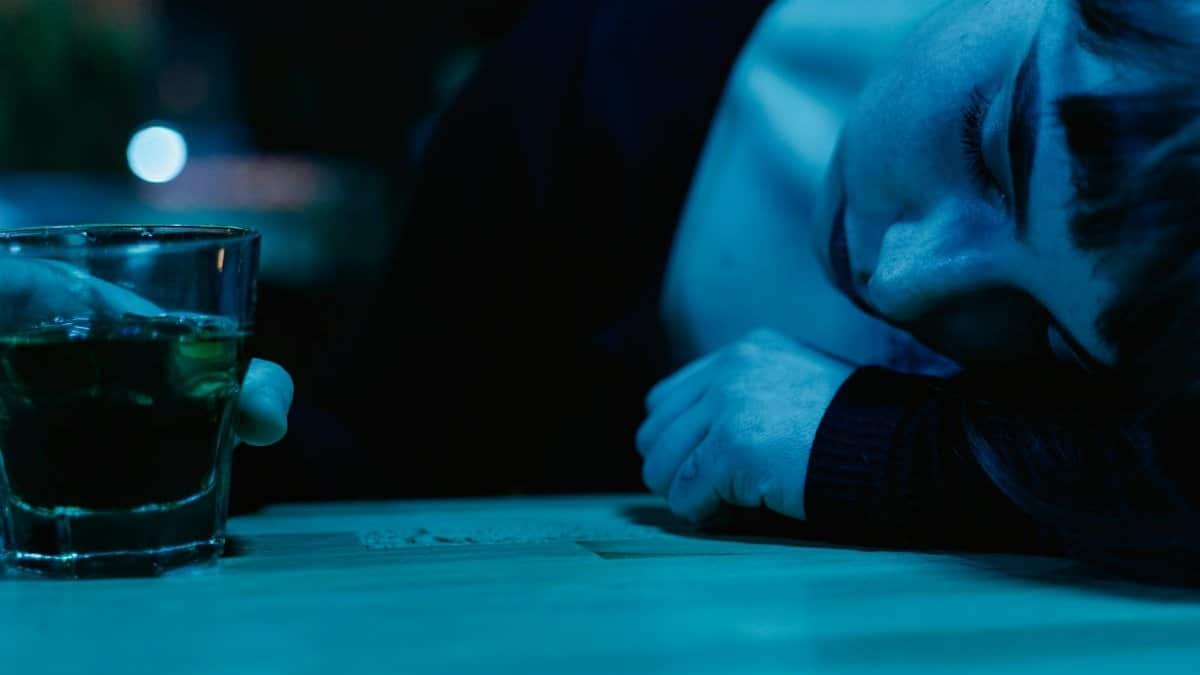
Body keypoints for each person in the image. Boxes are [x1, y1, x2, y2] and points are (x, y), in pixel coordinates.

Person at [340, 0, 1200, 584]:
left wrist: (883, 450)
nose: (899, 278)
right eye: (987, 143)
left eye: (1046, 331)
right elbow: (373, 473)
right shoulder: (586, 87)